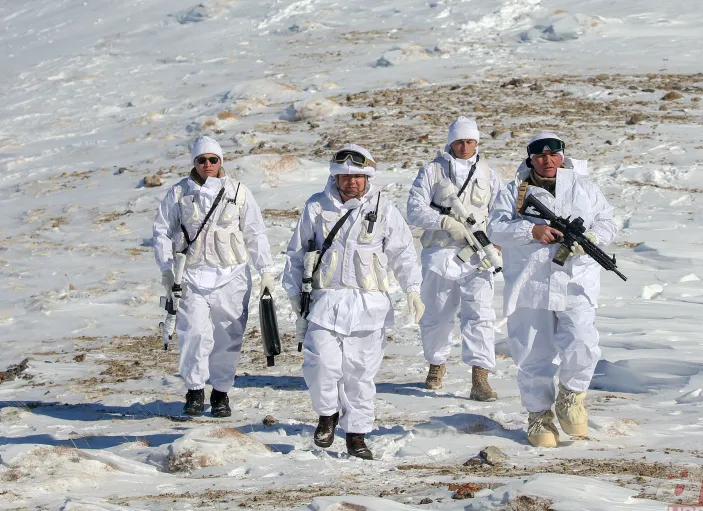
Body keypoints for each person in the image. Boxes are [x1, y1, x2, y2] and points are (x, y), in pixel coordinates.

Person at [283, 144, 424, 460]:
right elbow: (296, 252)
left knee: (360, 374)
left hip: (368, 303)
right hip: (326, 301)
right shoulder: (317, 207)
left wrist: (412, 289)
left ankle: (356, 435)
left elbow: (402, 252)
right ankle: (327, 414)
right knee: (321, 365)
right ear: (336, 176)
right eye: (345, 176)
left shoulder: (383, 208)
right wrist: (294, 293)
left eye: (358, 176)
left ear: (367, 177)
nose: (351, 182)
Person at [487, 132, 617, 447]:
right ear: (531, 158)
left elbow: (609, 222)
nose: (547, 161)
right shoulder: (514, 193)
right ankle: (539, 415)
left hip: (576, 284)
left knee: (583, 344)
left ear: (562, 155)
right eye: (540, 155)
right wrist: (532, 230)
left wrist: (589, 243)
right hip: (530, 285)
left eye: (553, 154)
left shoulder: (585, 189)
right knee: (533, 353)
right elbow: (494, 228)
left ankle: (571, 397)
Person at [153, 136, 274, 417]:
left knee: (228, 336)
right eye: (201, 160)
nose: (207, 164)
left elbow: (255, 232)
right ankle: (195, 390)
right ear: (194, 162)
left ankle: (221, 392)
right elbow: (161, 230)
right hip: (192, 276)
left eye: (213, 159)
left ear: (221, 161)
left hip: (231, 276)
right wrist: (167, 269)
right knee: (194, 333)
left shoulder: (239, 192)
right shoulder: (178, 193)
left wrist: (265, 271)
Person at [406, 117, 502, 401]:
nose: (464, 146)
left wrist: (496, 243)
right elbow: (414, 210)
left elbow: (499, 212)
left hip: (477, 254)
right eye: (459, 141)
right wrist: (445, 223)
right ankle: (436, 363)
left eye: (470, 141)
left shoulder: (488, 174)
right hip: (440, 252)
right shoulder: (432, 171)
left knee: (481, 316)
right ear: (450, 142)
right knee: (436, 314)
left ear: (477, 142)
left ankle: (480, 376)